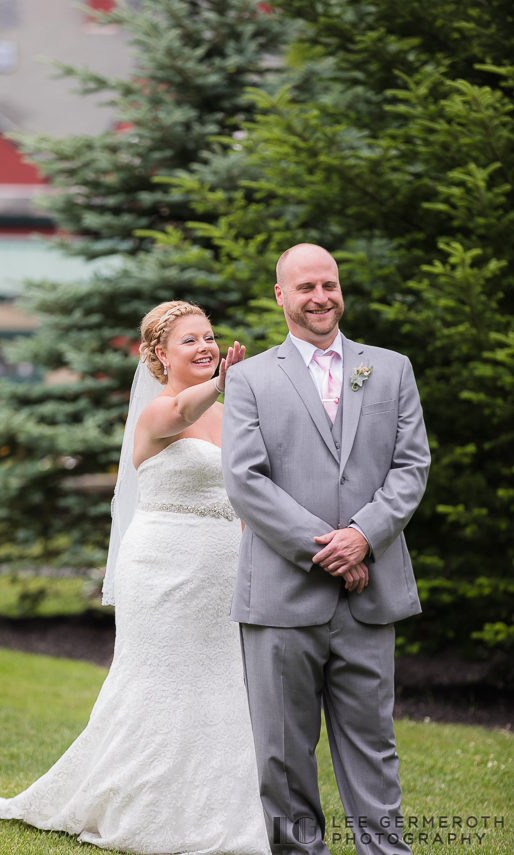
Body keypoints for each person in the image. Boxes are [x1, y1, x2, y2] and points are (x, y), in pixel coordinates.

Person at [0, 300, 270, 855]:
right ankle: (140, 804)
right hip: (164, 568)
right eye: (190, 341)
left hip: (224, 566)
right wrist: (224, 379)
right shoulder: (158, 413)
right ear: (159, 355)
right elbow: (181, 416)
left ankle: (223, 811)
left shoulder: (228, 413)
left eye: (210, 337)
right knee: (159, 683)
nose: (205, 347)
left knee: (221, 684)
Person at [221, 244, 431, 855]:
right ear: (280, 296)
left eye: (330, 285)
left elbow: (411, 466)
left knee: (374, 745)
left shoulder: (391, 369)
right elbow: (245, 480)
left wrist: (363, 536)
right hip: (282, 594)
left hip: (372, 594)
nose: (321, 298)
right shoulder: (251, 378)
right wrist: (329, 551)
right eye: (306, 287)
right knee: (283, 754)